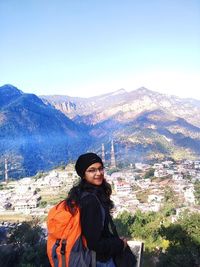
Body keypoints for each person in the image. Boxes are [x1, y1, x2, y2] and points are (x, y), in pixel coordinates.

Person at [66, 152, 127, 267]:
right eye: (92, 170)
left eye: (100, 169)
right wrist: (119, 244)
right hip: (99, 261)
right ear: (83, 174)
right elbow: (94, 243)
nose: (98, 173)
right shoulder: (90, 201)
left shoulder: (84, 193)